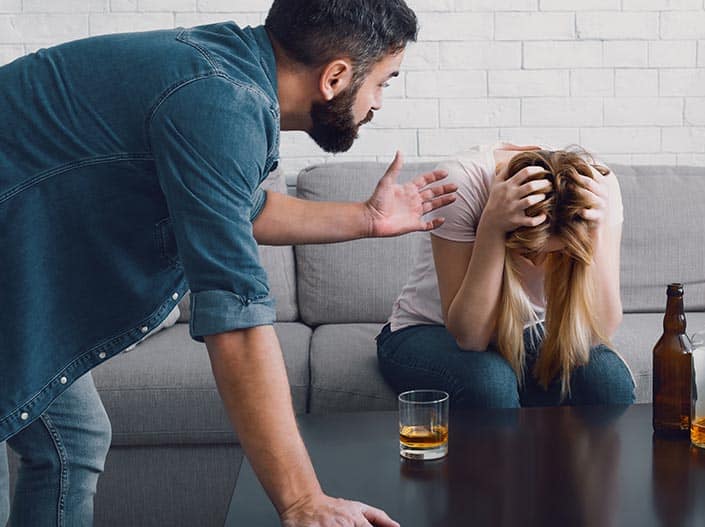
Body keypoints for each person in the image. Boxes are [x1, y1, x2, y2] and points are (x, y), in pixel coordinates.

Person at [0, 1, 454, 526]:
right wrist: (303, 500)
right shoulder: (221, 103)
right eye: (384, 82)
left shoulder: (222, 75)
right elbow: (235, 319)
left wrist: (367, 219)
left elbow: (237, 207)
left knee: (70, 442)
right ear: (335, 77)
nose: (378, 103)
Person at [377, 144, 636, 409]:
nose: (538, 264)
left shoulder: (599, 190)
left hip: (527, 332)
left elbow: (601, 330)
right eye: (528, 253)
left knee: (608, 381)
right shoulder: (460, 183)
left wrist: (595, 234)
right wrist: (491, 226)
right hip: (429, 329)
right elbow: (471, 337)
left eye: (555, 254)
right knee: (490, 382)